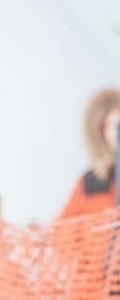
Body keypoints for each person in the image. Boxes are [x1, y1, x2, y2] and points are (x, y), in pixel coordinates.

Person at [59, 87, 120, 218]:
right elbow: (61, 233)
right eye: (107, 125)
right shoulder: (89, 183)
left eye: (118, 124)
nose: (115, 132)